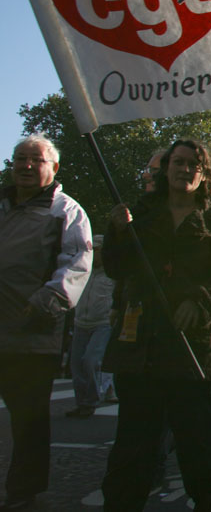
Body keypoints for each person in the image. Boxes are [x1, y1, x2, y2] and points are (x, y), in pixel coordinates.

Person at [102, 139, 211, 512]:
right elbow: (116, 268)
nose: (185, 169)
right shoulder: (138, 215)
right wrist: (116, 233)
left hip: (193, 346)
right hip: (142, 345)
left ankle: (204, 500)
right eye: (178, 162)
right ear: (165, 169)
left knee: (198, 440)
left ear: (204, 174)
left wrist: (200, 303)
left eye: (193, 165)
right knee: (134, 442)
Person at [0, 134, 92, 510]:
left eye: (34, 160)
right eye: (19, 158)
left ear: (53, 168)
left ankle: (24, 490)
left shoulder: (66, 211)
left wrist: (45, 302)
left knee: (28, 418)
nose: (24, 166)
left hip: (31, 330)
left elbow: (77, 263)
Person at [66, 234, 115, 418]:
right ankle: (82, 403)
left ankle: (92, 400)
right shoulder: (82, 271)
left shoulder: (112, 274)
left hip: (102, 323)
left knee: (91, 361)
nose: (95, 254)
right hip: (80, 322)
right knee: (76, 365)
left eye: (98, 250)